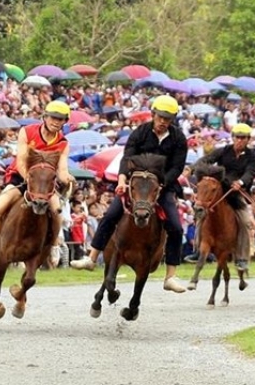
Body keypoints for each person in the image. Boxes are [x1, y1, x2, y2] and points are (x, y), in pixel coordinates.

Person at [70, 95, 188, 293]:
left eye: (167, 119)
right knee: (110, 215)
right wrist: (123, 181)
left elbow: (177, 167)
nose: (163, 122)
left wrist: (161, 183)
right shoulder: (140, 133)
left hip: (163, 187)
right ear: (153, 114)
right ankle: (91, 258)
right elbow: (126, 159)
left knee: (176, 227)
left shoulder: (178, 138)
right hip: (135, 186)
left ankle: (170, 276)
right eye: (160, 117)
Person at [0, 100, 75, 265]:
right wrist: (29, 180)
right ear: (45, 117)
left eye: (61, 119)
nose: (56, 122)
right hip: (21, 177)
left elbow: (61, 169)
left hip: (44, 183)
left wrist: (67, 177)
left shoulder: (63, 143)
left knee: (57, 212)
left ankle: (54, 245)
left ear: (65, 121)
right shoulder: (27, 132)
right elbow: (20, 161)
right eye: (53, 117)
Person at [194, 123, 255, 271]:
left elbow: (251, 172)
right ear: (233, 138)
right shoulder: (223, 151)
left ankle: (241, 258)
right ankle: (198, 251)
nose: (240, 140)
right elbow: (206, 160)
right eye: (237, 137)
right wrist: (196, 169)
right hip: (219, 191)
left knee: (245, 222)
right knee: (200, 212)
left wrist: (241, 182)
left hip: (236, 194)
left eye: (243, 138)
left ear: (248, 139)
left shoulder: (252, 157)